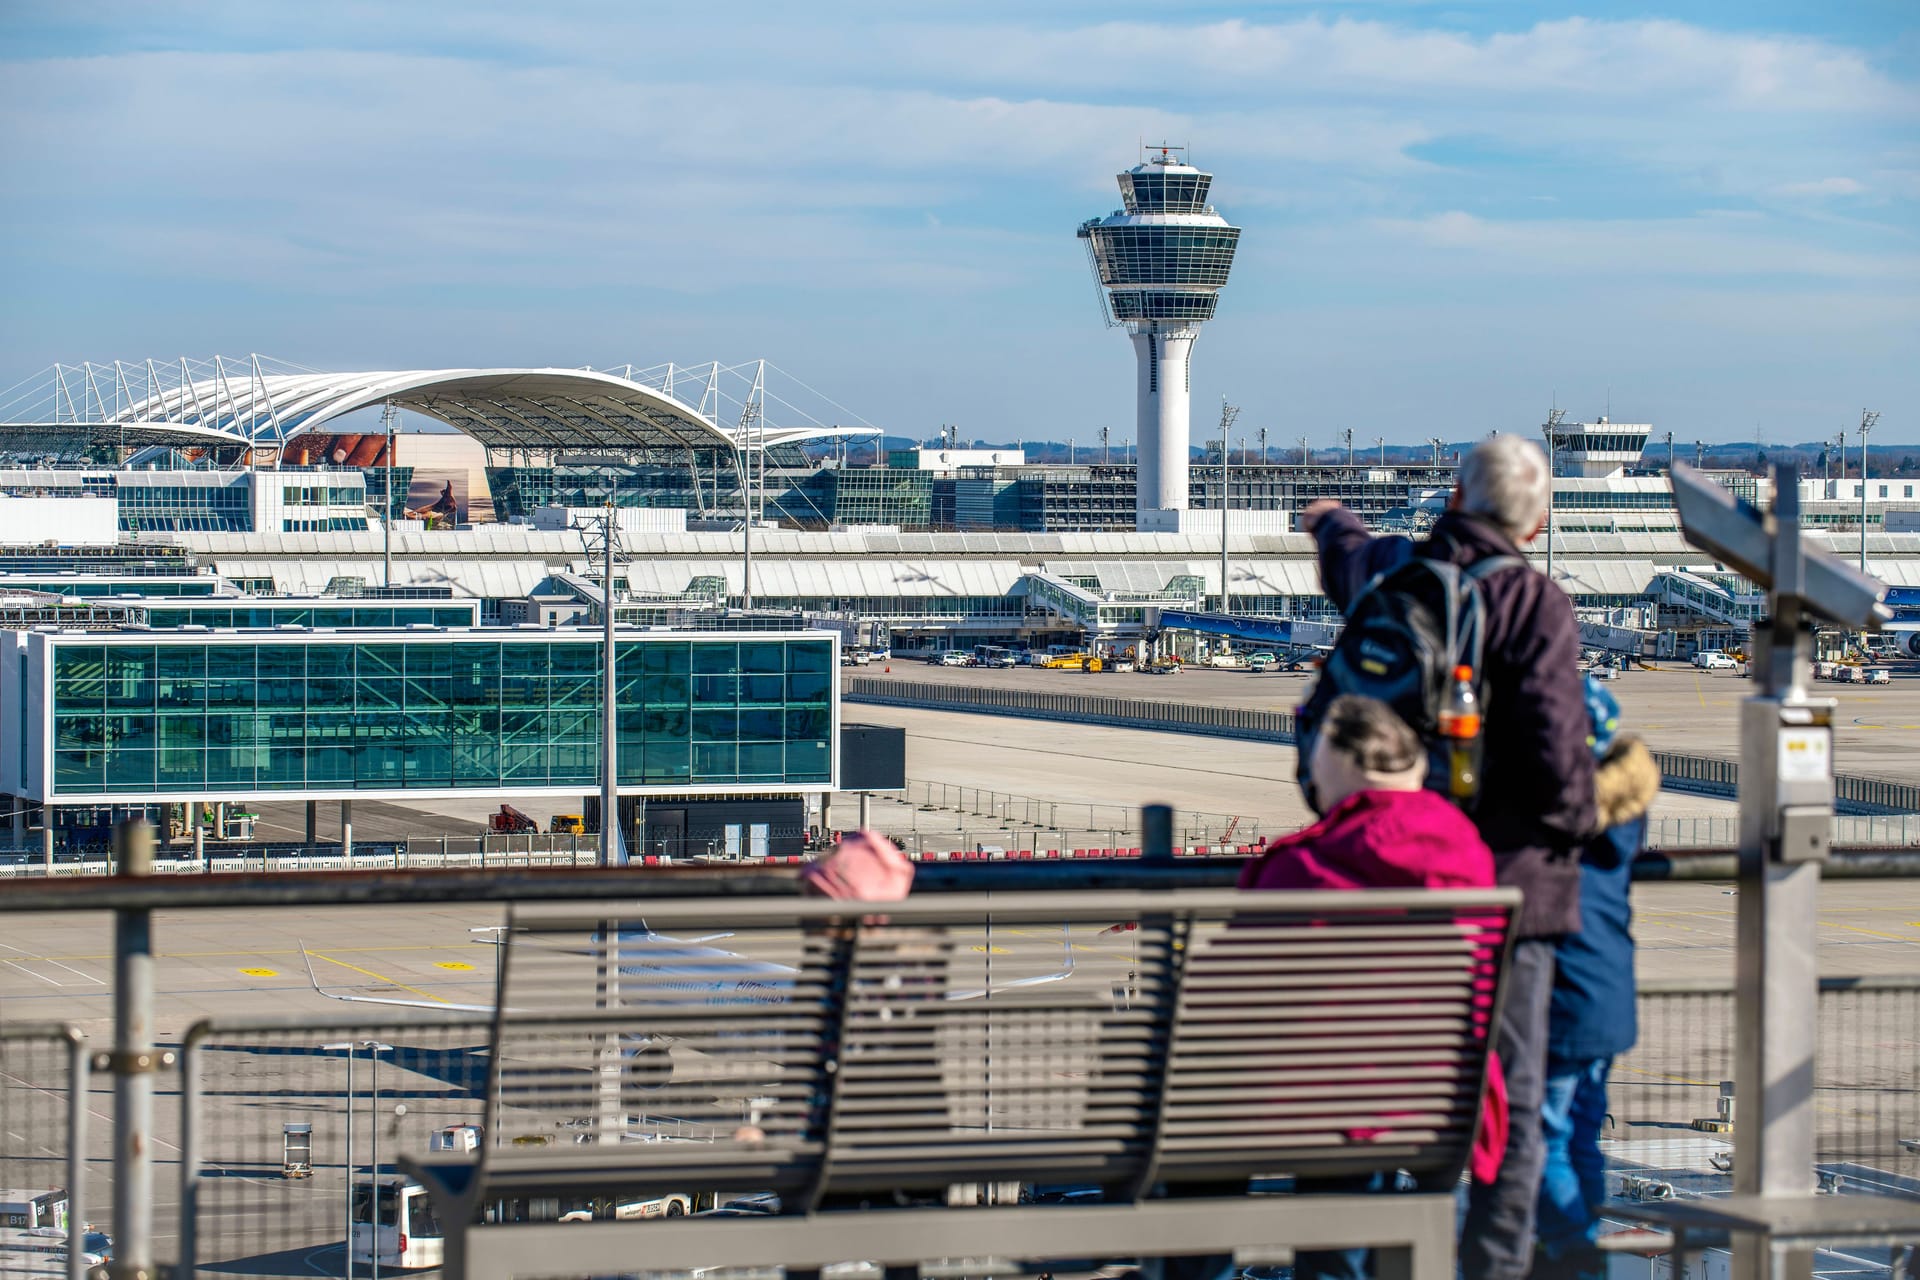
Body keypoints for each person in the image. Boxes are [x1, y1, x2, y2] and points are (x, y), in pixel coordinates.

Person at [1301, 433, 1598, 1280]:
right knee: (1507, 1117)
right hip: (1500, 904)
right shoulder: (1535, 605)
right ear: (1536, 524)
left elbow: (1348, 557)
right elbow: (1556, 763)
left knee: (1357, 1110)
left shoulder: (1396, 574)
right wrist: (1580, 823)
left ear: (1455, 501)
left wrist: (1329, 521)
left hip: (1373, 896)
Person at [1532, 678, 1660, 1280]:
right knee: (1581, 1134)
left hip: (1561, 996)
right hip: (1609, 997)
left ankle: (1568, 1253)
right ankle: (1578, 1248)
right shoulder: (1624, 818)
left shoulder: (1555, 815)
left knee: (1546, 1139)